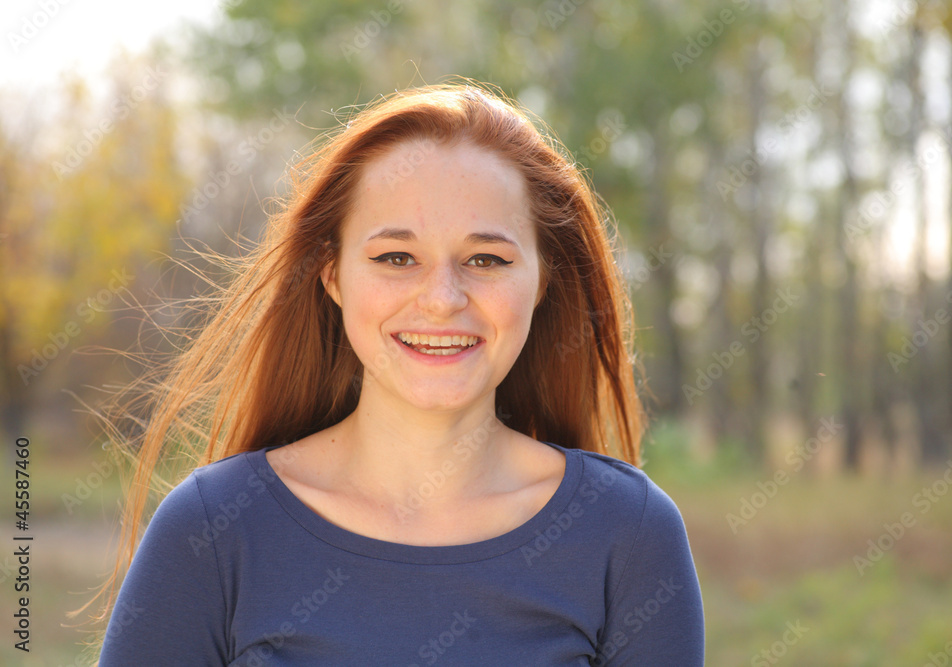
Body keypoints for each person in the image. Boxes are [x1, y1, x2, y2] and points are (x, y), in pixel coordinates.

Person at [96, 83, 704, 665]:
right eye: (396, 257)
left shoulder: (628, 535)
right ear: (332, 276)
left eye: (486, 259)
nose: (442, 298)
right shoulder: (211, 530)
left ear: (542, 280)